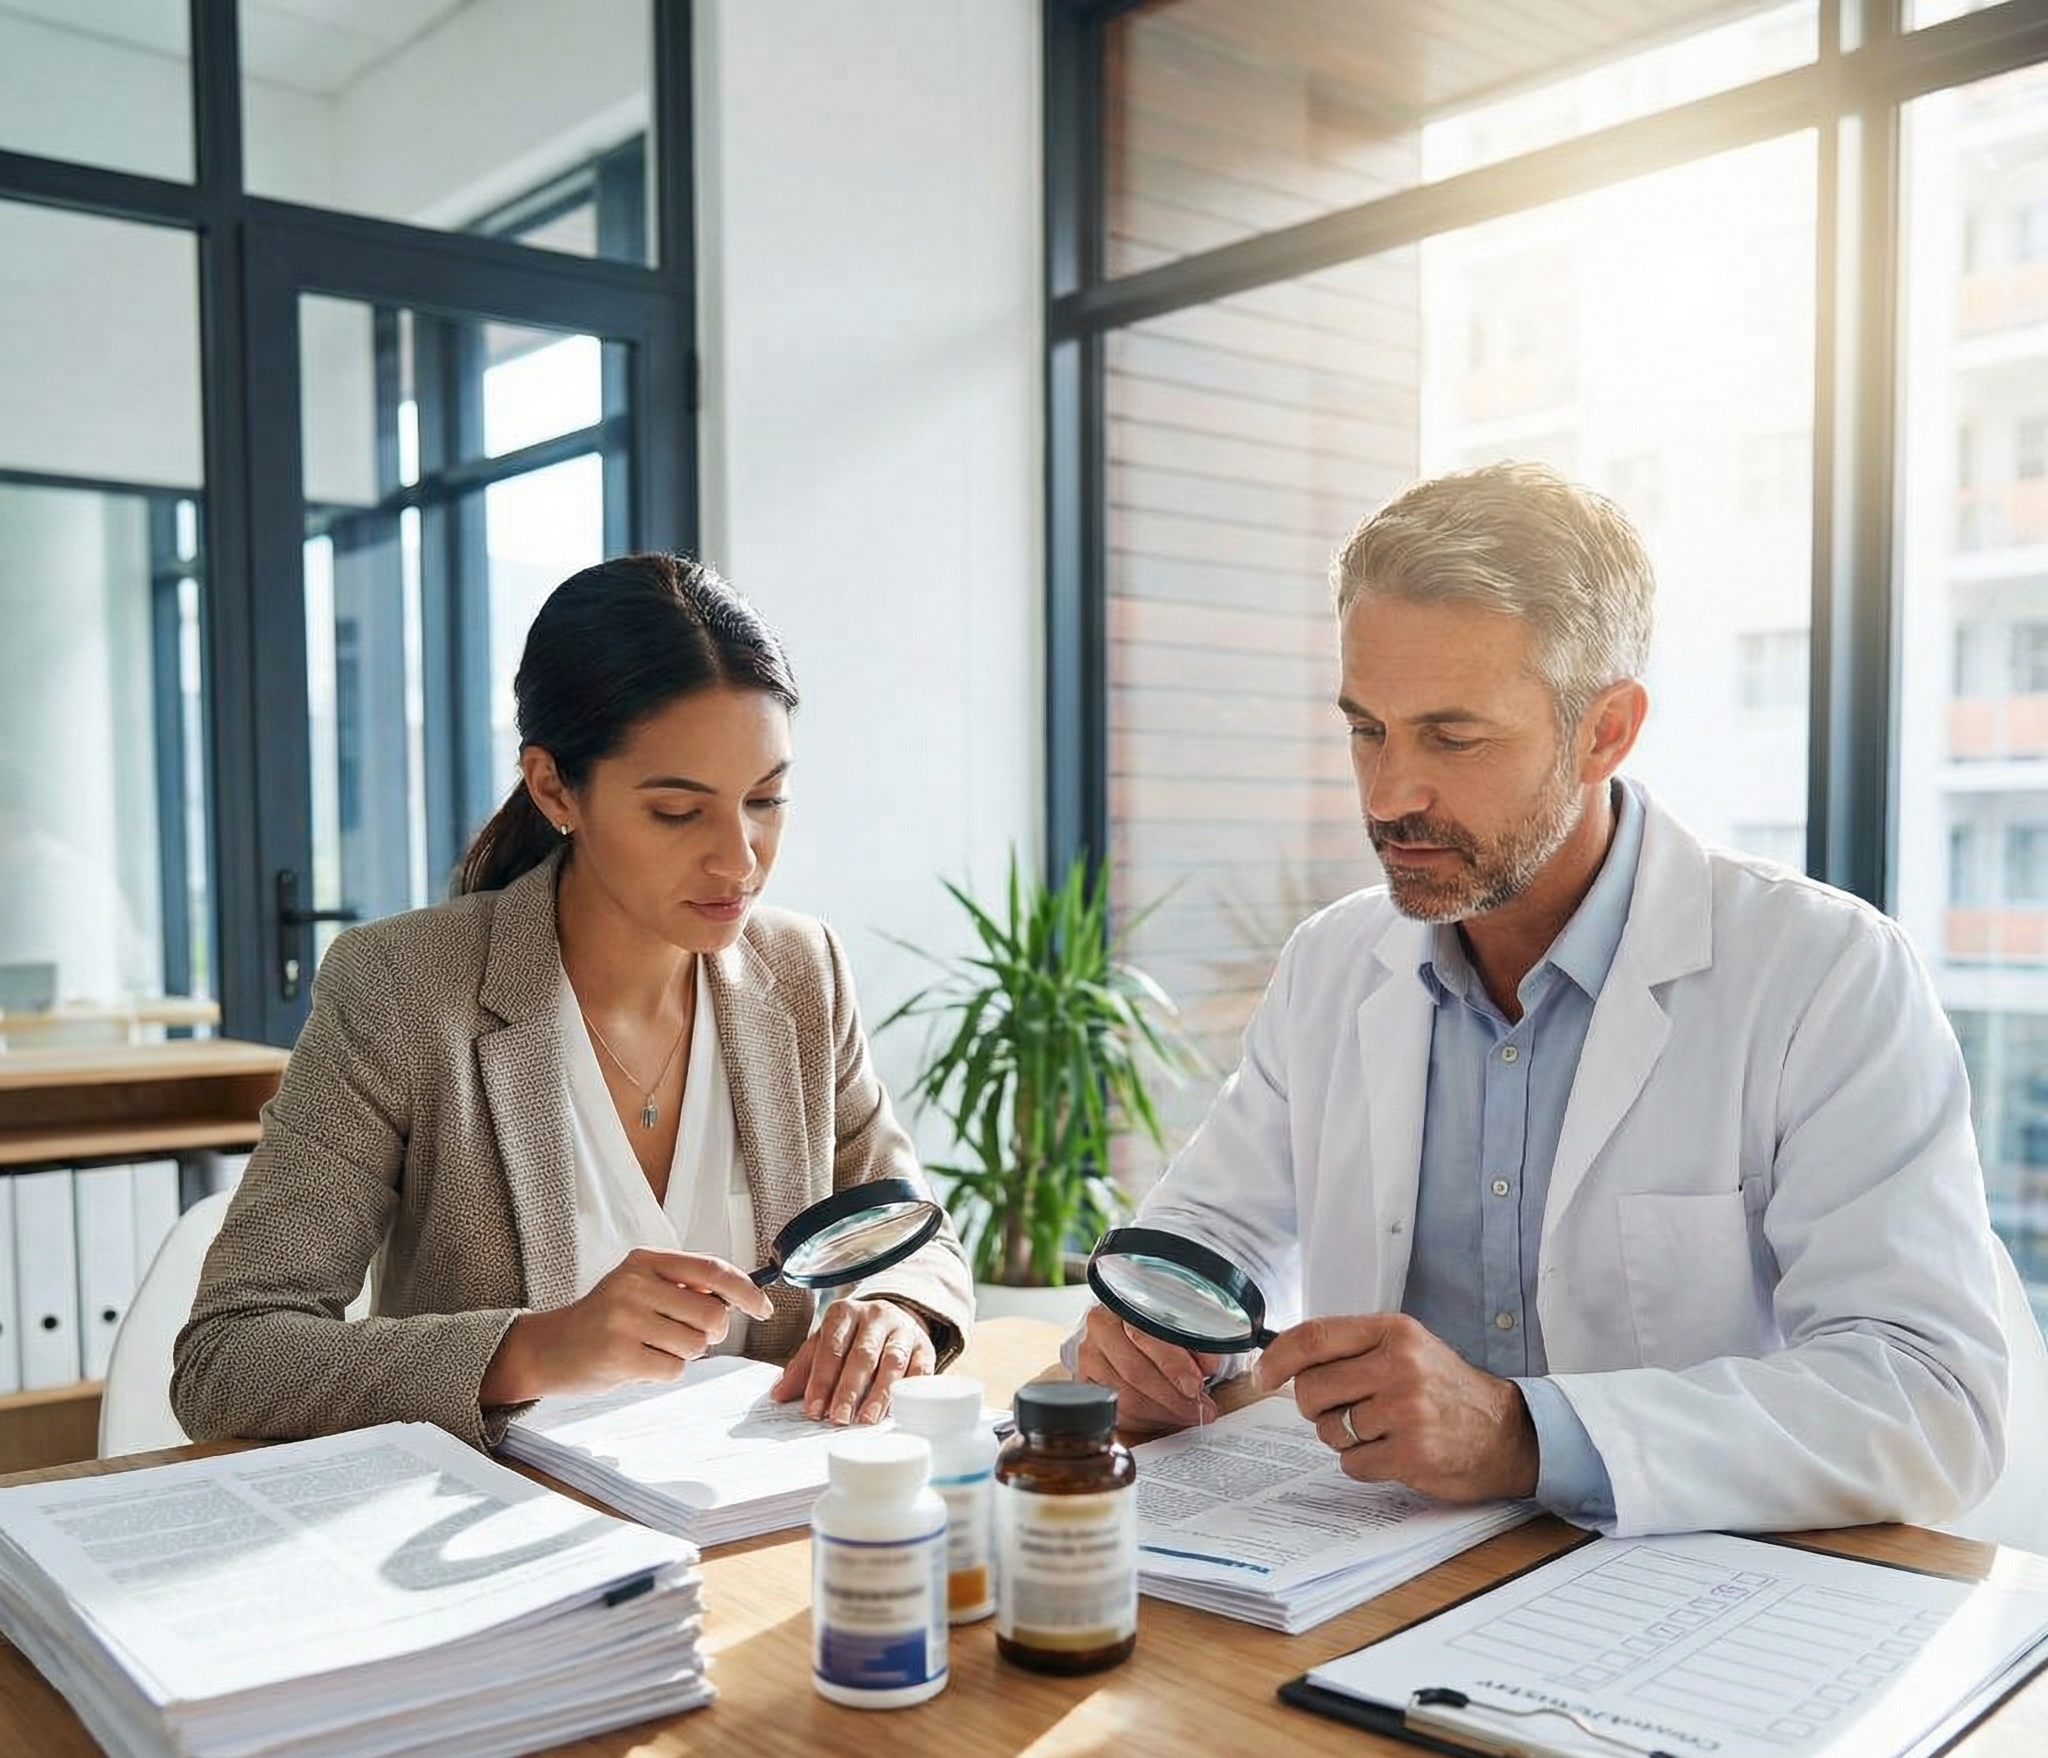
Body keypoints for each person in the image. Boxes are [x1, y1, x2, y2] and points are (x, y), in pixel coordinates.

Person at [1075, 462, 2008, 1538]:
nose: (1387, 797)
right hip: (1366, 1572)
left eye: (1451, 737)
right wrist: (1154, 1333)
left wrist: (1521, 1433)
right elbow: (1209, 1231)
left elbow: (1928, 1397)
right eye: (1365, 728)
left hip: (1691, 1598)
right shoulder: (1335, 962)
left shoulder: (1821, 973)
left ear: (1603, 730)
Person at [174, 553, 973, 1451]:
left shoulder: (801, 972)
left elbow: (912, 1228)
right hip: (497, 1544)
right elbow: (228, 1359)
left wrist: (899, 1309)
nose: (738, 859)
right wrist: (529, 1349)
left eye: (766, 800)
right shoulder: (401, 990)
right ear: (555, 786)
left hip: (747, 1530)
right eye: (678, 812)